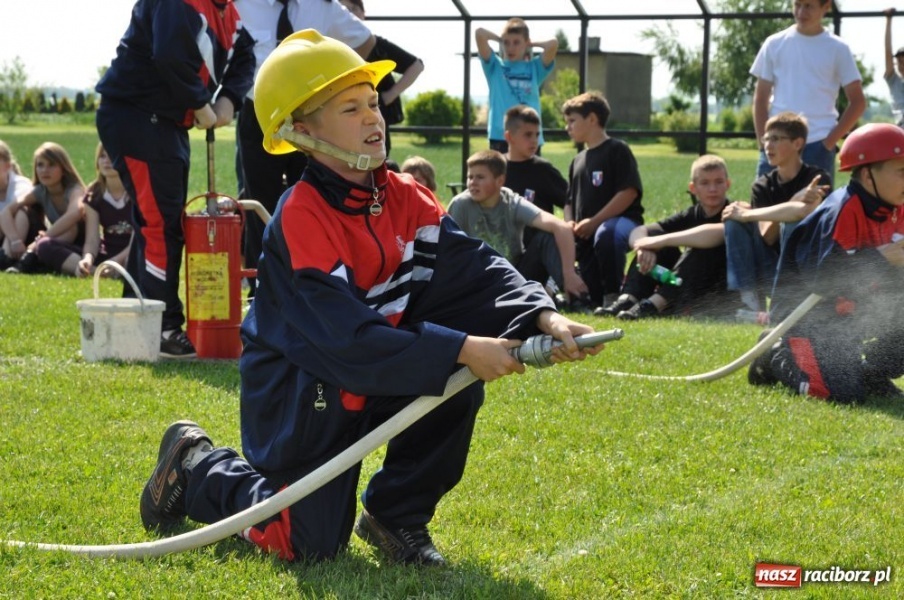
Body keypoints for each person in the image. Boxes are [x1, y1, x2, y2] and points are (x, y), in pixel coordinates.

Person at [139, 30, 601, 566]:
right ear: (301, 132)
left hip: (375, 369)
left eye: (373, 103)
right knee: (307, 543)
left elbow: (474, 269)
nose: (372, 118)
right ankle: (195, 465)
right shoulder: (302, 216)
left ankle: (395, 516)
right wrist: (460, 348)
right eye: (350, 108)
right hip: (303, 390)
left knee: (455, 379)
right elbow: (345, 341)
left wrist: (542, 315)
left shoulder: (407, 196)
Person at [96, 0, 255, 357]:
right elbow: (169, 54)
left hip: (166, 122)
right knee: (160, 225)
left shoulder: (229, 13)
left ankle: (137, 316)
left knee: (157, 221)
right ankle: (163, 328)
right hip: (139, 115)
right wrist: (200, 103)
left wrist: (229, 100)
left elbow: (245, 54)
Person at [750, 123, 904, 403]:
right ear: (868, 175)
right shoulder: (842, 211)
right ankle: (775, 354)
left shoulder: (895, 207)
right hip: (810, 319)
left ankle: (870, 372)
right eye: (902, 172)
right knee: (841, 394)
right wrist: (881, 258)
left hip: (853, 313)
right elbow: (824, 281)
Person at [233, 0, 375, 298]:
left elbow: (364, 39)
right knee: (259, 201)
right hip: (258, 113)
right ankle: (261, 291)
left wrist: (337, 89)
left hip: (311, 117)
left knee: (314, 198)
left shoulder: (321, 5)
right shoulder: (243, 3)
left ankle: (314, 283)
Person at [721, 112, 832, 315]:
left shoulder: (818, 178)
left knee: (792, 223)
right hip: (770, 269)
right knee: (733, 222)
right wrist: (794, 200)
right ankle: (749, 303)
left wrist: (749, 214)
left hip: (803, 272)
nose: (768, 145)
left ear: (797, 143)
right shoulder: (762, 185)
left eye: (776, 139)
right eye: (766, 139)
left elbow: (806, 212)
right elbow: (767, 236)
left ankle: (785, 305)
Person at [601, 155, 733, 321]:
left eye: (719, 182)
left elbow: (719, 232)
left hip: (717, 285)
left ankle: (653, 305)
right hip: (685, 283)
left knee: (698, 250)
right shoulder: (691, 213)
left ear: (728, 184)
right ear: (693, 188)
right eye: (705, 183)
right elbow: (641, 230)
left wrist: (660, 241)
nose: (712, 189)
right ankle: (627, 299)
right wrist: (643, 248)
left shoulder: (733, 211)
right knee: (654, 242)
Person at [447, 150, 588, 302]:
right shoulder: (460, 205)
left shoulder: (512, 203)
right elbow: (449, 251)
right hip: (478, 279)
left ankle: (577, 297)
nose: (472, 182)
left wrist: (569, 274)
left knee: (545, 238)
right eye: (470, 177)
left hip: (516, 277)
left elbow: (561, 227)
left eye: (480, 177)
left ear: (500, 181)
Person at [750, 0, 865, 184]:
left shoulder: (838, 48)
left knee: (816, 204)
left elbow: (858, 102)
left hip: (818, 145)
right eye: (797, 4)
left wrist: (828, 143)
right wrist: (764, 143)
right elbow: (760, 99)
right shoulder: (774, 43)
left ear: (826, 7)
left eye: (809, 6)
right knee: (766, 202)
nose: (801, 11)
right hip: (775, 143)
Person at [562, 91, 644, 310]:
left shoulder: (617, 150)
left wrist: (595, 221)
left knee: (606, 234)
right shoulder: (577, 160)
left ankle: (613, 296)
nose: (568, 127)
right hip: (587, 233)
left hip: (620, 223)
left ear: (592, 119)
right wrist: (569, 224)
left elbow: (629, 192)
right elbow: (568, 201)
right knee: (591, 295)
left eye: (572, 121)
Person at [338, 0, 424, 157]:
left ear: (363, 13)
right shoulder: (329, 47)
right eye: (342, 9)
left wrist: (389, 96)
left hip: (375, 123)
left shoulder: (375, 44)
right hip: (340, 124)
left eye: (353, 8)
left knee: (376, 163)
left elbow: (416, 66)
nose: (348, 14)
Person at [34, 143, 133, 277]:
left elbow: (139, 240)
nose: (106, 161)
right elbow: (92, 239)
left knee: (137, 260)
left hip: (132, 252)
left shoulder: (138, 193)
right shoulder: (94, 193)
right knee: (45, 245)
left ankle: (113, 271)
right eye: (102, 156)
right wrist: (87, 258)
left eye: (111, 156)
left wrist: (115, 261)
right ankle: (93, 271)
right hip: (106, 253)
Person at [476, 18, 558, 154]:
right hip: (500, 137)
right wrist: (499, 39)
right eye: (506, 43)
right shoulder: (494, 66)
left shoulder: (535, 67)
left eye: (516, 42)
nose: (510, 48)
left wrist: (531, 43)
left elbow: (553, 44)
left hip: (530, 137)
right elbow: (480, 33)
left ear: (526, 43)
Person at [0, 142, 85, 273]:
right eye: (40, 165)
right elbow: (7, 211)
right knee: (22, 210)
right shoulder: (40, 191)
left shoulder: (74, 189)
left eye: (51, 165)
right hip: (50, 241)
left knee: (70, 227)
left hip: (77, 245)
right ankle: (6, 257)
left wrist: (44, 237)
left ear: (63, 168)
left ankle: (29, 259)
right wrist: (14, 240)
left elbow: (75, 213)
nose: (45, 170)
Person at [502, 105, 568, 247]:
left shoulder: (543, 170)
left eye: (537, 135)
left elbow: (570, 201)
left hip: (536, 249)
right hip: (501, 246)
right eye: (528, 135)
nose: (534, 140)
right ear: (509, 136)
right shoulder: (495, 168)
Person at [0, 140, 33, 247]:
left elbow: (8, 213)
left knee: (20, 211)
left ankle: (7, 254)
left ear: (8, 166)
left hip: (26, 237)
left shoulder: (22, 185)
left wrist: (14, 240)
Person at [884, 8, 904, 128]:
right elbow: (888, 52)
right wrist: (888, 20)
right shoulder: (893, 80)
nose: (902, 64)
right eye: (900, 61)